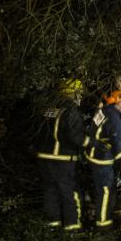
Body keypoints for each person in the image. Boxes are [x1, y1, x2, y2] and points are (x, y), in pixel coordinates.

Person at [35, 79, 88, 231]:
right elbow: (76, 136)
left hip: (44, 158)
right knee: (69, 192)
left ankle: (53, 226)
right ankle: (73, 227)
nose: (80, 96)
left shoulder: (48, 107)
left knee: (50, 191)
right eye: (79, 93)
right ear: (74, 93)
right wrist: (93, 144)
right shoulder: (70, 109)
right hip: (63, 159)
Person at [83, 89, 121, 229]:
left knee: (100, 190)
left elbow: (93, 130)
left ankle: (96, 216)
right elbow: (116, 141)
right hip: (102, 160)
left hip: (92, 155)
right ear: (119, 103)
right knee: (106, 192)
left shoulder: (103, 111)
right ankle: (103, 225)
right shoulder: (115, 119)